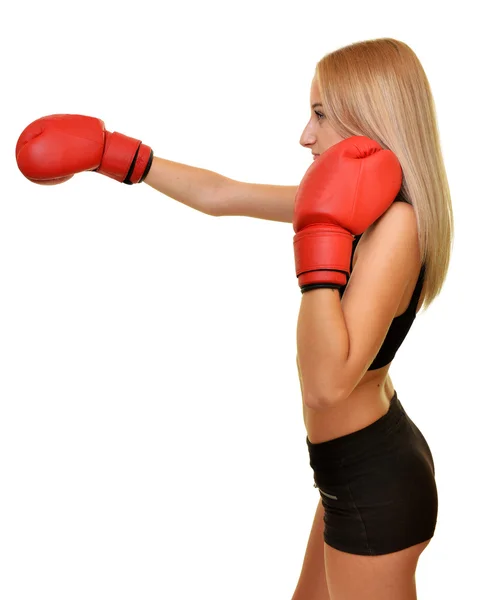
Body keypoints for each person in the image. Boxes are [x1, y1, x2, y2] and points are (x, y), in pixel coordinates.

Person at [16, 37, 453, 600]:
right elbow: (223, 195)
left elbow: (325, 384)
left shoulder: (395, 225)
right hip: (352, 469)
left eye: (320, 114)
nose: (305, 135)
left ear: (369, 116)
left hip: (375, 483)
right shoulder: (359, 205)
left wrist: (319, 239)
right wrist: (117, 155)